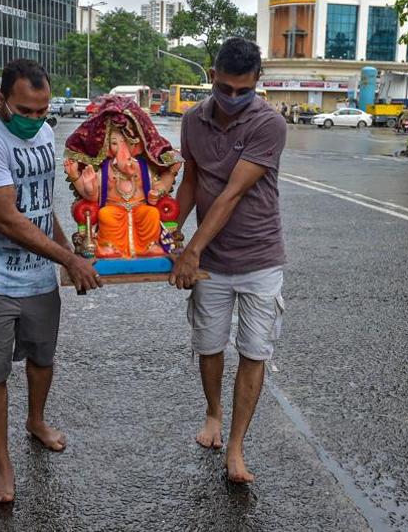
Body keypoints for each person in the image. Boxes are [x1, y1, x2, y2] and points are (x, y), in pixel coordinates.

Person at [0, 59, 101, 503]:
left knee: (42, 358)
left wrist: (67, 252)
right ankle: (3, 466)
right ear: (0, 100)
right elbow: (6, 219)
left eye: (43, 110)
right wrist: (69, 261)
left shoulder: (41, 132)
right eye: (26, 110)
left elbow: (39, 210)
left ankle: (36, 421)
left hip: (38, 278)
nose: (36, 119)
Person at [170, 37, 287, 484]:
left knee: (254, 351)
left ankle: (236, 446)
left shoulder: (269, 123)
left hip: (259, 258)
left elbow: (232, 193)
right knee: (209, 344)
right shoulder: (192, 121)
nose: (233, 98)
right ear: (212, 74)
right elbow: (192, 182)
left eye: (244, 90)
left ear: (257, 82)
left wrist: (192, 249)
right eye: (226, 87)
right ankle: (213, 415)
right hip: (212, 262)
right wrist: (167, 232)